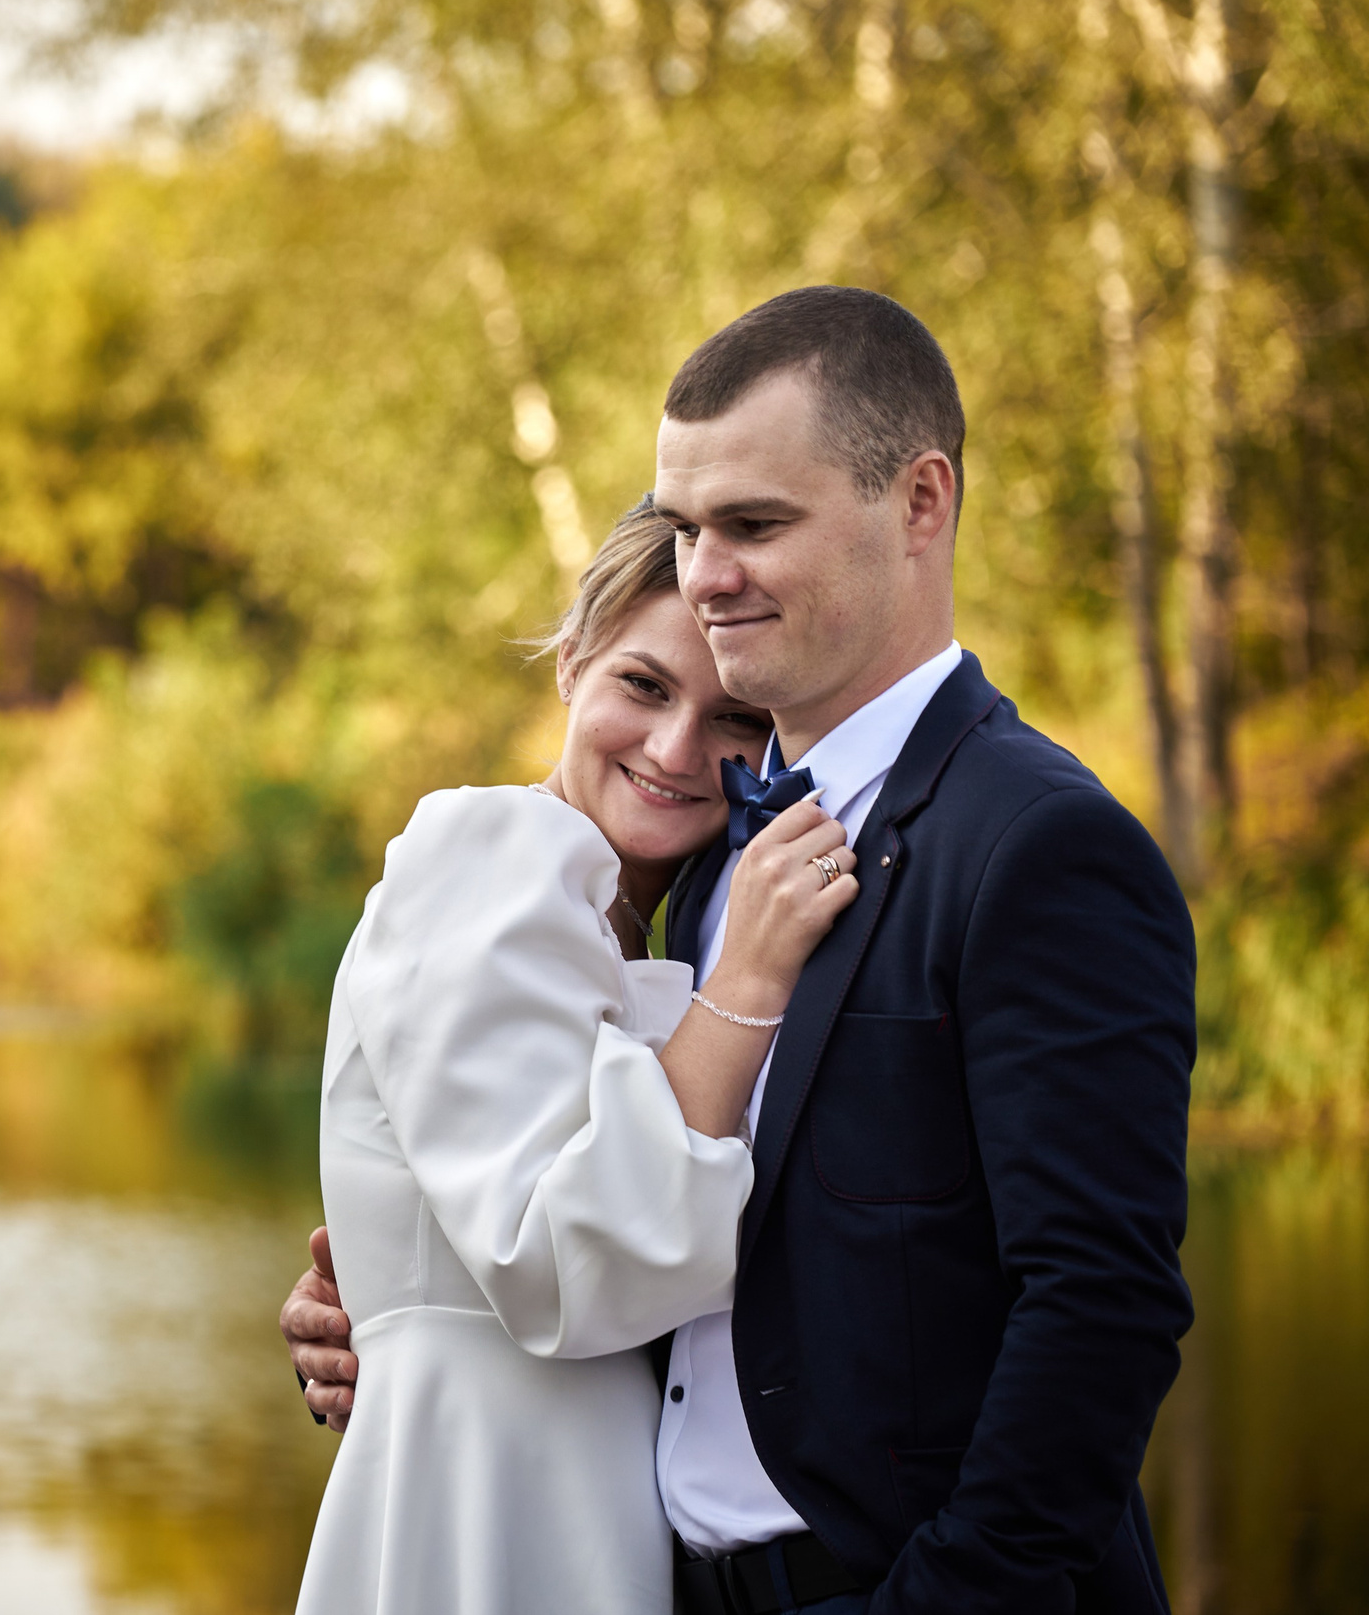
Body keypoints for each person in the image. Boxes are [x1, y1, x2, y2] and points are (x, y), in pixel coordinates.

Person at [286, 287, 1196, 1615]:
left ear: (921, 503)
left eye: (755, 525)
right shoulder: (706, 875)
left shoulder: (1036, 844)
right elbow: (606, 1212)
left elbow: (1101, 1305)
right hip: (649, 1576)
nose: (710, 573)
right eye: (690, 527)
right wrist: (387, 1299)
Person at [297, 498, 863, 1613]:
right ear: (569, 664)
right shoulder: (492, 852)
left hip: (603, 1507)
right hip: (488, 1507)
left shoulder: (644, 921)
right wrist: (749, 980)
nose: (674, 750)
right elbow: (554, 1260)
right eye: (642, 687)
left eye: (732, 719)